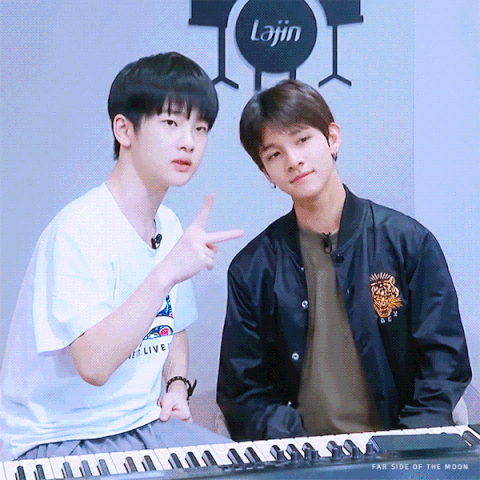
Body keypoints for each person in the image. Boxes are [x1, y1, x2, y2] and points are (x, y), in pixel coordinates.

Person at [0, 52, 243, 461]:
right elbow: (94, 366)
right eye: (171, 123)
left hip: (141, 425)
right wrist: (165, 273)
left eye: (200, 128)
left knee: (249, 468)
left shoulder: (168, 224)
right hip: (60, 439)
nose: (189, 141)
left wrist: (176, 386)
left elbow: (173, 329)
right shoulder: (79, 229)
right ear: (124, 130)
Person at [217, 79, 471, 441]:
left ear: (332, 138)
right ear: (265, 171)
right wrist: (297, 446)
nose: (293, 160)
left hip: (398, 448)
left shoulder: (408, 242)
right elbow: (242, 392)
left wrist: (403, 446)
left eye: (302, 140)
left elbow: (444, 364)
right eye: (274, 155)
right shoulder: (252, 269)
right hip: (301, 457)